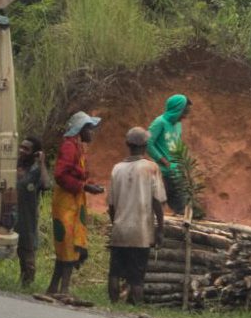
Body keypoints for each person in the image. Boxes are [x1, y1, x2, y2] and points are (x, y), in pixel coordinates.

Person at [46, 111, 105, 298]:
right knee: (68, 242)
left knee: (68, 243)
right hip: (66, 201)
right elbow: (60, 175)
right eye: (89, 128)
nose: (92, 133)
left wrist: (86, 187)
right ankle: (63, 289)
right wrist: (84, 187)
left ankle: (54, 288)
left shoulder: (77, 146)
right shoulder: (69, 146)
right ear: (80, 129)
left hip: (73, 200)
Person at [107, 127, 166, 305]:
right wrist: (160, 228)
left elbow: (111, 204)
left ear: (127, 144)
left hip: (120, 229)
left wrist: (115, 223)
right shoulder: (151, 168)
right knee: (137, 276)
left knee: (115, 272)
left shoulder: (117, 168)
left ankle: (113, 305)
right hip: (141, 231)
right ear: (146, 145)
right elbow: (157, 202)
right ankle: (137, 306)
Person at [14, 136, 51, 286]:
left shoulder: (36, 171)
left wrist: (41, 163)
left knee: (27, 254)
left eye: (26, 149)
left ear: (35, 153)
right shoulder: (13, 165)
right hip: (7, 216)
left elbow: (46, 185)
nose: (22, 151)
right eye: (21, 147)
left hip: (26, 218)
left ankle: (26, 284)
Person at [147, 94, 191, 214]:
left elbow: (177, 143)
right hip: (163, 172)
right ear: (176, 110)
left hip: (177, 170)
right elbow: (148, 142)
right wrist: (161, 159)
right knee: (158, 205)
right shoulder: (159, 122)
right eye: (183, 112)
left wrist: (183, 162)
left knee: (181, 206)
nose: (184, 117)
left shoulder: (178, 125)